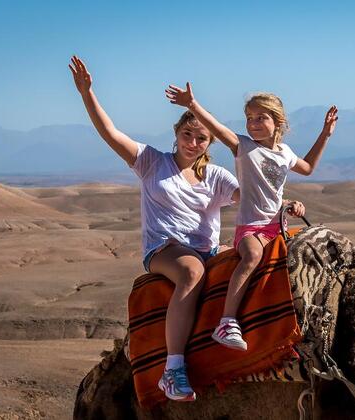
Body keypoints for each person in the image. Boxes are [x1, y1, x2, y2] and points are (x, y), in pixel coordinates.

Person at [69, 56, 240, 402]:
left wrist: (285, 206)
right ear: (176, 134)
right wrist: (88, 94)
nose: (193, 142)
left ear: (211, 143)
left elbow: (252, 198)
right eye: (187, 134)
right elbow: (111, 133)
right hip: (165, 248)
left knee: (249, 259)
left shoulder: (218, 177)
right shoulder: (151, 162)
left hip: (208, 247)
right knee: (192, 271)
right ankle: (172, 369)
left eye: (202, 138)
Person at [165, 82, 337, 351]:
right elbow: (218, 128)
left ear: (278, 122)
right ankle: (227, 321)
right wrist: (192, 105)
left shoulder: (285, 153)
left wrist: (325, 134)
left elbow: (308, 167)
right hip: (250, 229)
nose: (253, 123)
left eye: (261, 118)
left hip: (276, 226)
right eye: (249, 118)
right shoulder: (243, 147)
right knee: (253, 256)